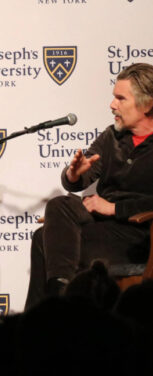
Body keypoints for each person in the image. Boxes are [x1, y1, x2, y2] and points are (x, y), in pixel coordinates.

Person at [25, 62, 153, 310]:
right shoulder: (112, 136)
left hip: (136, 236)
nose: (112, 105)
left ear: (147, 104)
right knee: (60, 204)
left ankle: (45, 314)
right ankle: (58, 295)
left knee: (43, 239)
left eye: (120, 98)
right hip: (102, 226)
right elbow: (78, 179)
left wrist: (115, 209)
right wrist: (73, 175)